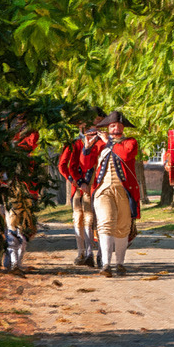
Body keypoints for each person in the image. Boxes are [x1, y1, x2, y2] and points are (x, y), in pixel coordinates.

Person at [82, 110, 142, 277]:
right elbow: (86, 164)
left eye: (119, 125)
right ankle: (106, 264)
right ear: (108, 127)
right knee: (106, 222)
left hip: (124, 190)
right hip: (102, 189)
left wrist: (108, 141)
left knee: (122, 227)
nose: (116, 128)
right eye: (113, 125)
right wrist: (87, 146)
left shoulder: (130, 142)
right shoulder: (100, 144)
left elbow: (125, 154)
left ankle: (120, 263)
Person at [57, 107, 106, 267]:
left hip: (98, 186)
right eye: (92, 121)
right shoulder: (73, 143)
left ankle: (99, 253)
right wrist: (78, 182)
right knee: (78, 218)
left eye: (99, 121)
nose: (95, 125)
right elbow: (63, 166)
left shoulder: (103, 143)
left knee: (97, 219)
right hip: (78, 188)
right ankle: (82, 252)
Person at [3, 115, 40, 277]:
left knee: (24, 229)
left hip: (26, 189)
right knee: (10, 225)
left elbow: (32, 149)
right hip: (6, 187)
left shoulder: (33, 134)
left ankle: (17, 262)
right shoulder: (3, 133)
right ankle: (12, 263)